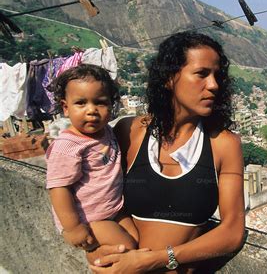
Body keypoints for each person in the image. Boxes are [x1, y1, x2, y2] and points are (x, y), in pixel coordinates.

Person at [90, 32, 245, 273]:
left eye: (217, 76)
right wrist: (97, 249)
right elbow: (99, 200)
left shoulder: (223, 144)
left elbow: (233, 231)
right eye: (202, 74)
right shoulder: (130, 131)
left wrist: (158, 259)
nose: (214, 85)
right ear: (169, 78)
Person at [46, 64, 138, 261]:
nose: (92, 111)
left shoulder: (107, 132)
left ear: (111, 106)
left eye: (100, 103)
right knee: (127, 248)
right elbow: (58, 188)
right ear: (65, 107)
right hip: (88, 218)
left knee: (137, 239)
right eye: (81, 103)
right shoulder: (68, 146)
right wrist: (73, 228)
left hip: (114, 209)